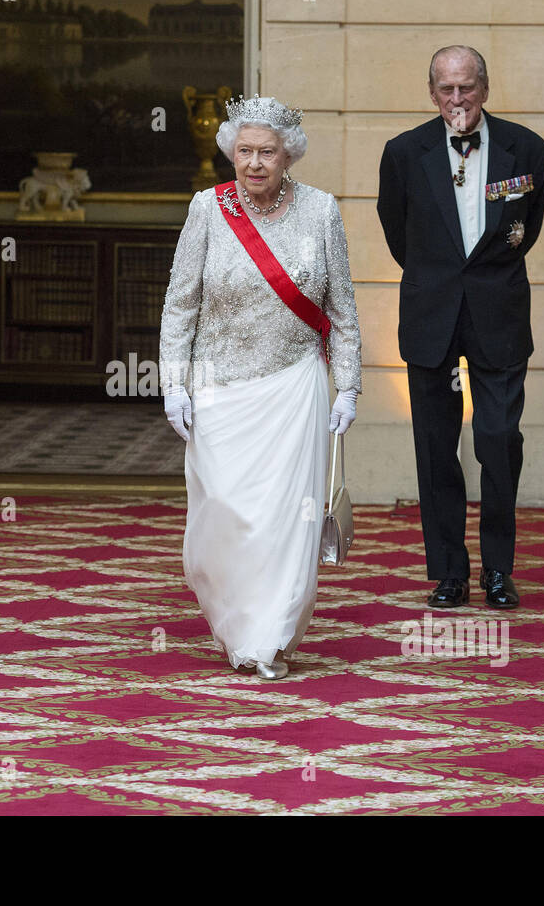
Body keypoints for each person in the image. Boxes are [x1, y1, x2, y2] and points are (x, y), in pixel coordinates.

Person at [159, 96, 362, 680]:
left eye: (266, 152)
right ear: (231, 152)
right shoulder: (207, 208)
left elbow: (342, 310)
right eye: (244, 151)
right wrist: (175, 383)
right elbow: (181, 305)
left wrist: (346, 386)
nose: (254, 163)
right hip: (220, 388)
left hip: (295, 388)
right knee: (223, 516)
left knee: (285, 521)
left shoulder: (322, 211)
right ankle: (235, 620)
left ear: (288, 155)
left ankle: (267, 636)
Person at [376, 45, 544, 610]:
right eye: (447, 89)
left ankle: (499, 570)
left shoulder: (529, 149)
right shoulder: (403, 153)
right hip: (432, 316)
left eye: (467, 87)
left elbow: (529, 227)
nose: (458, 99)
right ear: (432, 93)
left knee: (498, 441)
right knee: (435, 446)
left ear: (486, 87)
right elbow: (397, 234)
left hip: (498, 313)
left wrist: (480, 277)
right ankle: (449, 570)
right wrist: (439, 277)